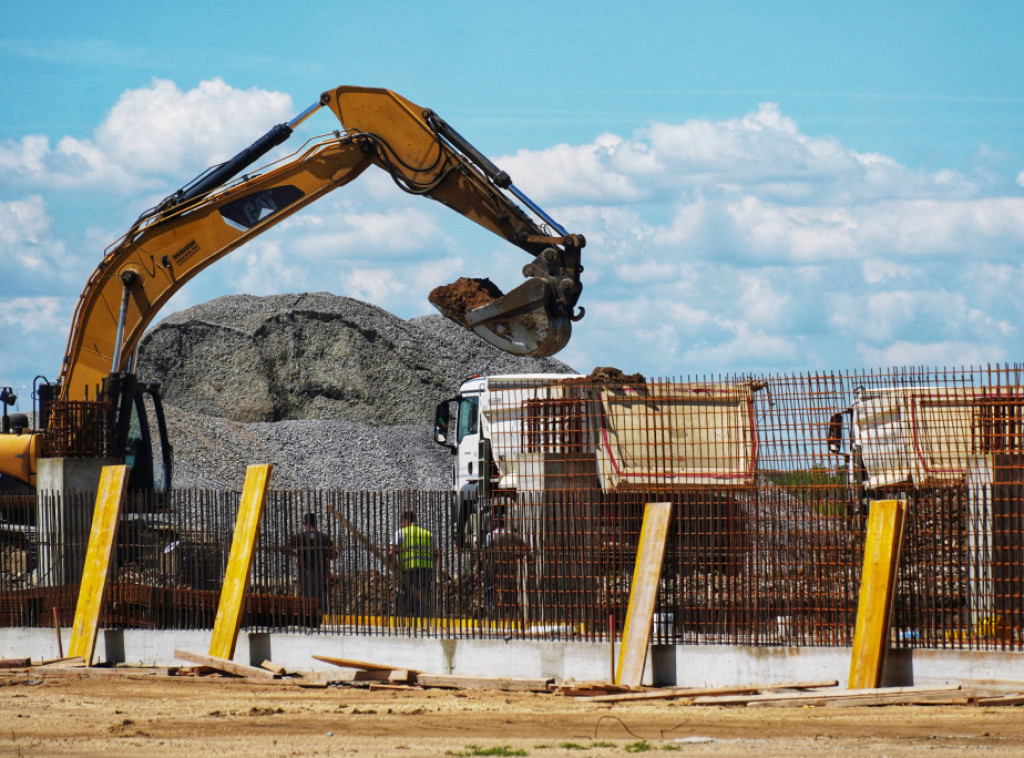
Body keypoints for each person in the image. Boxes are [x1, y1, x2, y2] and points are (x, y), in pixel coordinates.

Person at [283, 512, 337, 612]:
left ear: (304, 523)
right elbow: (333, 555)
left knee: (306, 595)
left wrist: (295, 554)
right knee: (321, 595)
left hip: (304, 571)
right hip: (321, 572)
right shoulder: (324, 537)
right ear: (315, 523)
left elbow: (283, 548)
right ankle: (321, 617)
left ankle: (308, 616)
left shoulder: (298, 537)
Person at [388, 510, 438, 618]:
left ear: (405, 521)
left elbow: (391, 551)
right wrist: (432, 568)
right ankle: (423, 619)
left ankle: (400, 617)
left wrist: (394, 568)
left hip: (408, 569)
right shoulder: (428, 533)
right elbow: (436, 554)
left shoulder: (401, 532)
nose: (401, 524)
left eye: (402, 522)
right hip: (426, 570)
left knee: (404, 593)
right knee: (423, 596)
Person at [482, 514, 528, 619]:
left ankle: (491, 610)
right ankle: (511, 611)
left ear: (494, 524)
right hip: (508, 565)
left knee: (490, 587)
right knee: (510, 587)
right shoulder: (512, 534)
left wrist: (480, 567)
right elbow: (524, 547)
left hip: (494, 565)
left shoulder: (490, 536)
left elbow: (487, 553)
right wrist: (518, 556)